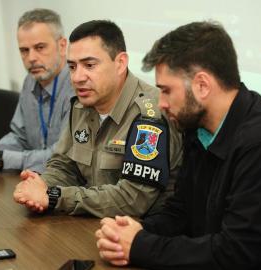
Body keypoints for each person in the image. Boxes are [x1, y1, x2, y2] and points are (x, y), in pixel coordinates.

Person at [96, 21, 261, 269]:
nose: (161, 103)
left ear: (202, 85)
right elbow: (181, 212)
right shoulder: (197, 127)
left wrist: (141, 245)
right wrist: (134, 231)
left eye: (166, 90)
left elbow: (235, 254)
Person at [13, 20, 182, 218]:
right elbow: (64, 165)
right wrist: (41, 185)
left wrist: (53, 196)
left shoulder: (150, 115)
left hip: (143, 233)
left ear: (120, 63)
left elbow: (133, 199)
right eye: (73, 67)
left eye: (89, 65)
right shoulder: (81, 105)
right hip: (92, 223)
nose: (77, 77)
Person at [0, 9, 74, 173]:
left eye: (40, 47)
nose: (31, 58)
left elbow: (62, 158)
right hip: (32, 179)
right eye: (24, 50)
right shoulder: (31, 80)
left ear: (62, 46)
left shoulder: (78, 87)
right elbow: (20, 137)